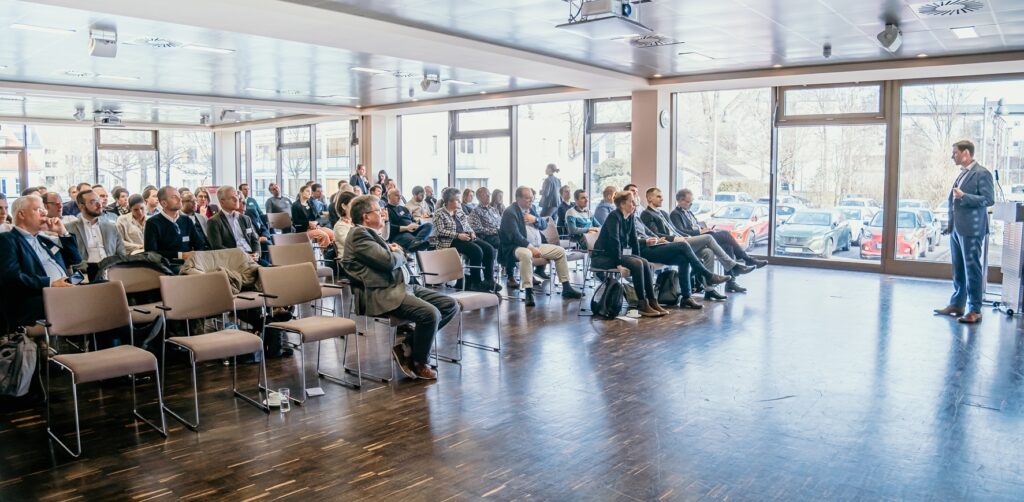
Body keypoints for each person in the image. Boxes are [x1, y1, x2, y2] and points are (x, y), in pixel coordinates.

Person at [342, 195, 458, 380]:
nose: (383, 213)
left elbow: (386, 258)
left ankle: (407, 348)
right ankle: (419, 361)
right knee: (431, 314)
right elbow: (388, 262)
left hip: (402, 285)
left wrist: (394, 251)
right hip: (383, 292)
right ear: (366, 216)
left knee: (451, 305)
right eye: (378, 210)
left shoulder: (370, 234)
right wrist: (400, 252)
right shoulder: (358, 235)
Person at [643, 188, 757, 296]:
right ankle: (732, 266)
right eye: (658, 197)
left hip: (683, 240)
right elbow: (656, 235)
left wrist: (686, 236)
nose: (662, 199)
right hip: (671, 245)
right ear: (649, 198)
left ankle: (709, 290)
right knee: (709, 237)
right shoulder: (647, 214)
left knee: (708, 252)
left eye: (661, 197)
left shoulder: (663, 213)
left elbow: (675, 230)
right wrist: (678, 238)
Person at [934, 140, 995, 324]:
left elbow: (988, 200)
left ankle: (975, 310)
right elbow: (954, 203)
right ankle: (957, 304)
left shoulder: (982, 173)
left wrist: (964, 196)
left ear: (966, 153)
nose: (953, 156)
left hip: (971, 229)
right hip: (957, 229)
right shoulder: (962, 174)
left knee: (972, 269)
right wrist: (950, 225)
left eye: (955, 153)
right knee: (958, 269)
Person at [0, 194, 81, 328]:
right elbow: (10, 277)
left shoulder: (44, 241)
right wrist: (50, 284)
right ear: (21, 214)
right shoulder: (7, 240)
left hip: (66, 290)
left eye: (44, 209)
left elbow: (75, 259)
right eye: (39, 209)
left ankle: (107, 345)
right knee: (101, 300)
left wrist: (63, 232)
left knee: (107, 290)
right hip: (39, 298)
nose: (45, 213)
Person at [500, 186, 582, 306]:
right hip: (516, 247)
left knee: (560, 251)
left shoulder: (531, 208)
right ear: (518, 198)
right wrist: (531, 248)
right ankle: (528, 291)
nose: (531, 201)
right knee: (526, 253)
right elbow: (514, 236)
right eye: (528, 198)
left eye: (531, 198)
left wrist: (535, 220)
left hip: (537, 244)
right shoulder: (510, 212)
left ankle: (566, 287)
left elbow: (544, 225)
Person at [670, 188, 769, 287]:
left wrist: (705, 229)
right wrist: (700, 231)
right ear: (680, 200)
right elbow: (681, 232)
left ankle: (731, 282)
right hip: (694, 241)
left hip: (702, 236)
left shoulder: (688, 212)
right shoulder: (675, 214)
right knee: (725, 234)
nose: (691, 205)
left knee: (727, 246)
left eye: (692, 203)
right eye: (689, 202)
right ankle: (747, 259)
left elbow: (695, 226)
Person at [593, 192, 668, 317]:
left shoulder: (630, 217)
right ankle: (642, 304)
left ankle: (652, 301)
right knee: (638, 264)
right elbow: (614, 242)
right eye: (631, 201)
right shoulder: (614, 216)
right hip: (603, 256)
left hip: (619, 254)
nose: (634, 204)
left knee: (645, 263)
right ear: (622, 204)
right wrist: (618, 264)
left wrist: (639, 256)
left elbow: (634, 241)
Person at [434, 187, 500, 293]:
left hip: (465, 237)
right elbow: (440, 231)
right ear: (449, 201)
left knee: (489, 249)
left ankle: (489, 280)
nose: (460, 201)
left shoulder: (459, 212)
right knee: (476, 251)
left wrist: (472, 232)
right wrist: (457, 235)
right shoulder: (439, 213)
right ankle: (476, 282)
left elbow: (467, 225)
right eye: (457, 200)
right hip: (450, 241)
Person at [66, 189, 126, 281]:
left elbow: (121, 254)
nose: (99, 204)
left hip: (111, 271)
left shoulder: (111, 227)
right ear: (81, 206)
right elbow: (70, 259)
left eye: (99, 200)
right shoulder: (69, 228)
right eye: (93, 202)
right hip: (85, 274)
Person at [144, 186, 208, 272]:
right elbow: (151, 253)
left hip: (191, 262)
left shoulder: (186, 220)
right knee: (199, 275)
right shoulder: (152, 223)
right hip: (168, 265)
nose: (179, 199)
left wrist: (196, 256)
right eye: (174, 197)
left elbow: (199, 244)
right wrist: (180, 255)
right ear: (164, 203)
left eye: (179, 196)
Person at [207, 185, 266, 265]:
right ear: (222, 202)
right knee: (265, 273)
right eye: (232, 198)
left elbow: (254, 240)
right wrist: (244, 256)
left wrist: (256, 254)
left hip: (252, 258)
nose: (236, 199)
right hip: (234, 261)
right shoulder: (214, 221)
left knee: (276, 271)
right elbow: (218, 248)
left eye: (237, 196)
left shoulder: (245, 218)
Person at [291, 184, 335, 249]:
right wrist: (308, 223)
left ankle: (333, 254)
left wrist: (316, 223)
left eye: (310, 191)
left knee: (332, 234)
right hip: (304, 230)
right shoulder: (295, 205)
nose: (310, 193)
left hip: (315, 227)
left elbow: (318, 217)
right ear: (301, 192)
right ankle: (325, 255)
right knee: (324, 235)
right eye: (307, 191)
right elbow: (296, 222)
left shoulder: (311, 203)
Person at [468, 187, 503, 253]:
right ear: (479, 197)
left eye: (489, 194)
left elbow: (501, 223)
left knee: (514, 240)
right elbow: (476, 229)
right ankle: (505, 262)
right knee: (505, 243)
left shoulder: (494, 210)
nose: (488, 196)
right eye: (485, 194)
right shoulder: (475, 211)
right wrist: (495, 231)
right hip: (488, 237)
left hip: (500, 234)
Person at [332, 191, 358, 262]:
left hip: (359, 258)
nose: (356, 208)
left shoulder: (355, 222)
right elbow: (352, 245)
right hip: (350, 262)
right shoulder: (340, 226)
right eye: (353, 204)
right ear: (344, 206)